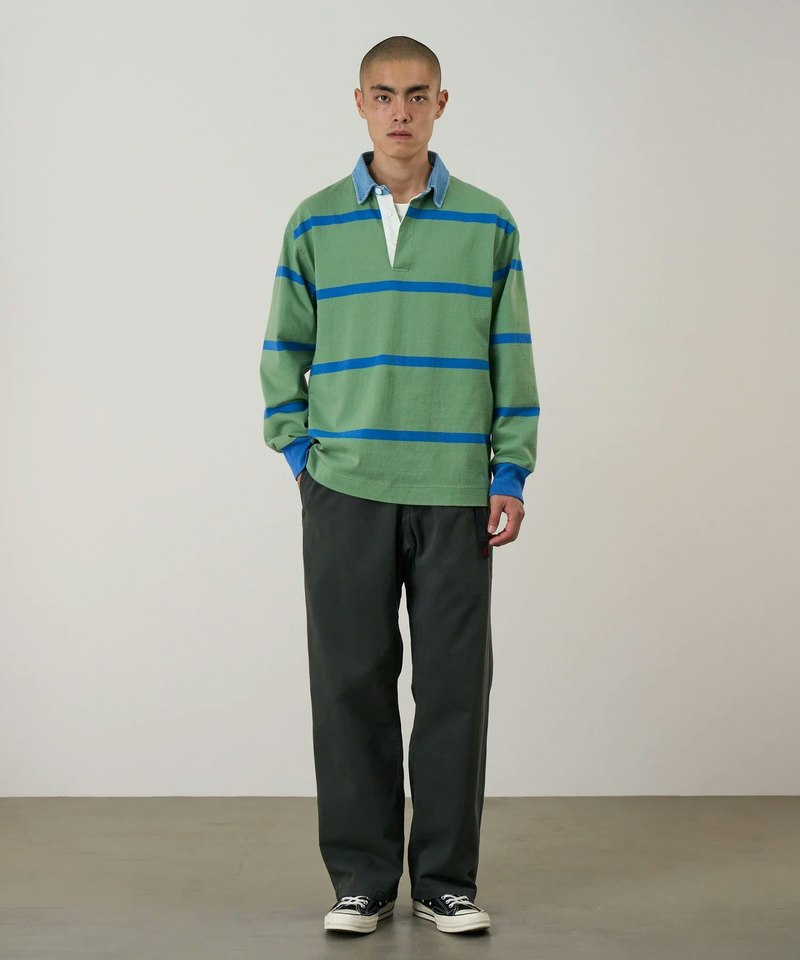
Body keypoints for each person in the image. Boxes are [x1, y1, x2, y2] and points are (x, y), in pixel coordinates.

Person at [259, 35, 540, 936]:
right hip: (345, 487)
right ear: (360, 103)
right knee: (350, 683)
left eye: (418, 95)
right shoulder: (314, 222)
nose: (401, 112)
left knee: (455, 690)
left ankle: (446, 879)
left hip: (456, 488)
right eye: (384, 95)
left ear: (441, 104)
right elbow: (282, 350)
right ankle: (363, 880)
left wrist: (510, 467)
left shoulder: (489, 222)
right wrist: (300, 456)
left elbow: (511, 352)